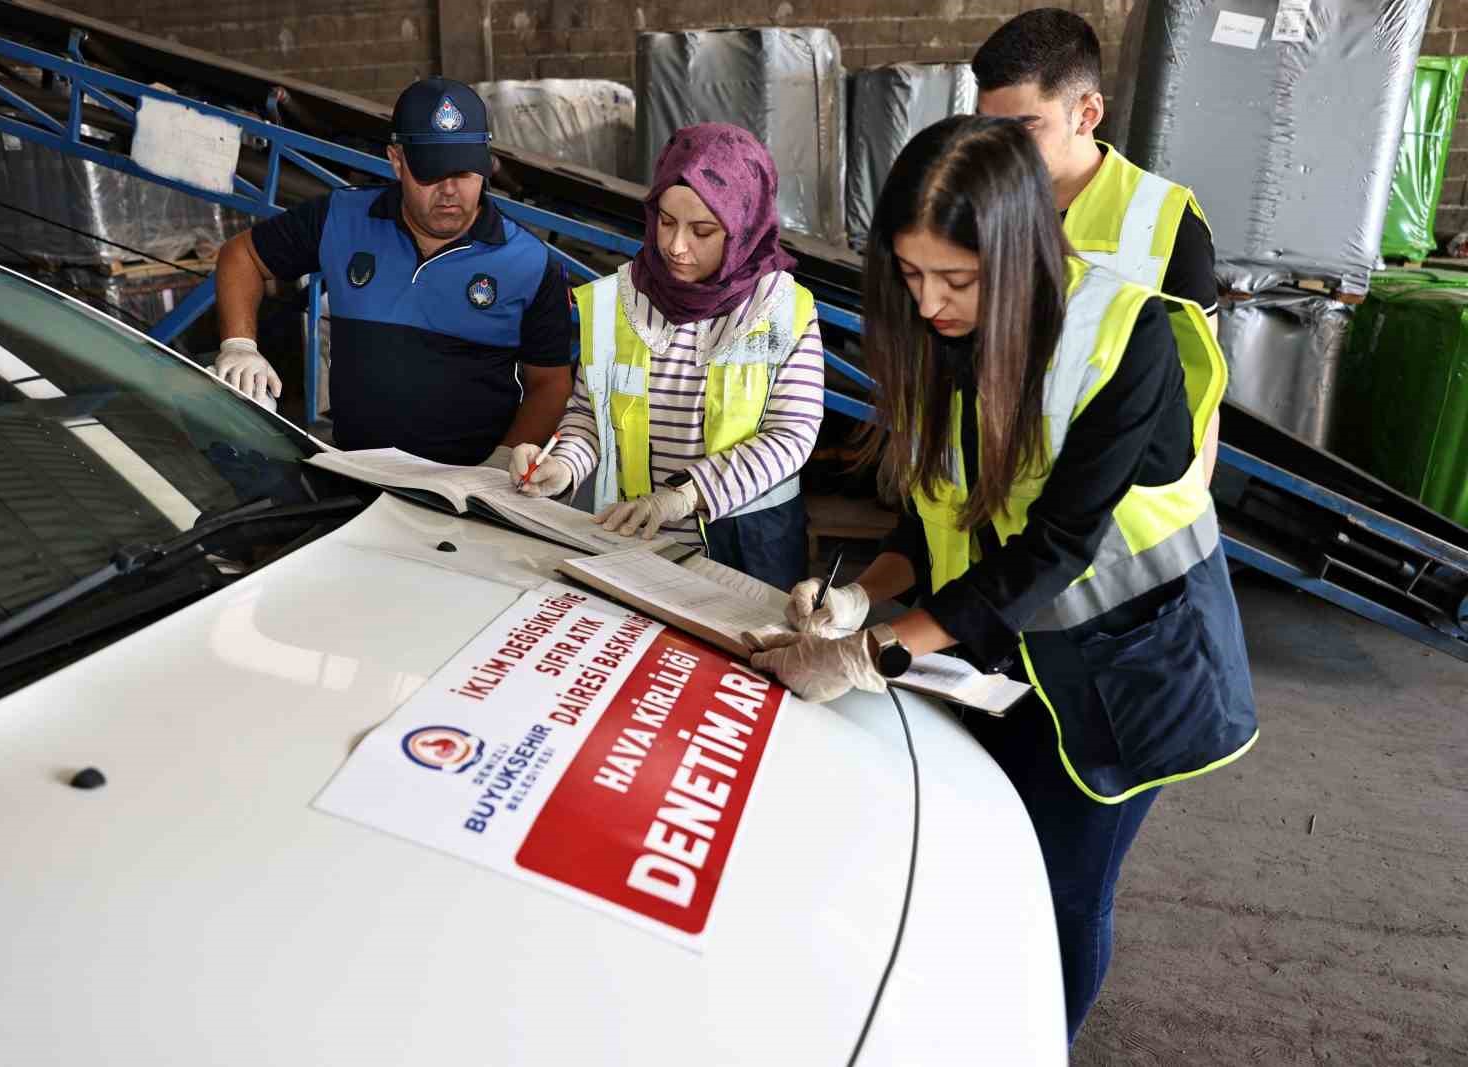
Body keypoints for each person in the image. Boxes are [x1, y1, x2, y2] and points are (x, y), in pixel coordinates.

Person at [750, 117, 1258, 1044]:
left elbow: (1052, 549)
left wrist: (873, 652)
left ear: (1020, 250)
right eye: (911, 275)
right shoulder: (948, 338)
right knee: (983, 859)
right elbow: (937, 510)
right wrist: (865, 590)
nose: (932, 301)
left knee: (1061, 896)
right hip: (1015, 663)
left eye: (957, 279)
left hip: (1131, 677)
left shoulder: (1126, 342)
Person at [508, 124, 825, 590]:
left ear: (744, 227)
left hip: (746, 550)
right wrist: (562, 465)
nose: (677, 246)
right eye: (666, 221)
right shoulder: (621, 300)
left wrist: (686, 496)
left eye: (702, 231)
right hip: (633, 545)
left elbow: (791, 435)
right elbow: (588, 417)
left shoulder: (782, 311)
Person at [211, 77, 570, 468]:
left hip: (466, 489)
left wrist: (501, 465)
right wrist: (240, 345)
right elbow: (241, 255)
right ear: (396, 160)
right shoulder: (341, 219)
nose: (450, 190)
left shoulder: (530, 264)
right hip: (358, 474)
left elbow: (549, 384)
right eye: (432, 173)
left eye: (465, 173)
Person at [972, 8, 1224, 482]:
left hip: (1114, 507)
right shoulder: (975, 210)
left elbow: (1199, 392)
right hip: (998, 494)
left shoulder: (1167, 220)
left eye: (1024, 128)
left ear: (1087, 114)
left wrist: (1187, 520)